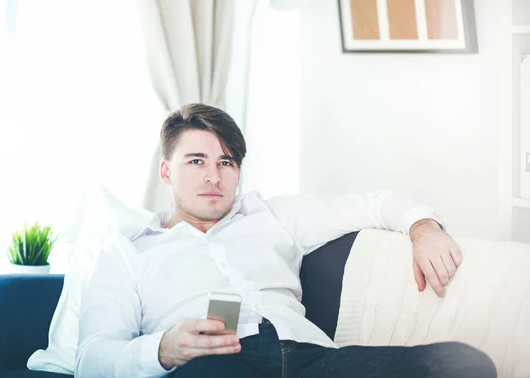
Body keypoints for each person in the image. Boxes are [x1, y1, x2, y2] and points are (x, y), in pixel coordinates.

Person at [76, 103, 496, 378]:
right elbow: (91, 358)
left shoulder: (272, 215)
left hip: (311, 359)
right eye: (196, 161)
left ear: (238, 171)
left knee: (464, 365)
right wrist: (164, 350)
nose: (212, 176)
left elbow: (370, 205)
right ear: (167, 171)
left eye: (225, 162)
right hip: (213, 367)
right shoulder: (127, 252)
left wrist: (422, 227)